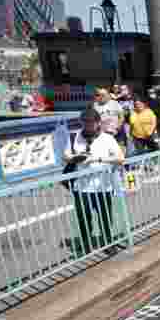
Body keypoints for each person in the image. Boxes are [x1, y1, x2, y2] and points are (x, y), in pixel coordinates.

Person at [62, 107, 125, 255]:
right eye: (85, 123)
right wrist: (74, 158)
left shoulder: (107, 138)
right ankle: (85, 243)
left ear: (98, 123)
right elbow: (65, 156)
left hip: (103, 186)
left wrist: (98, 159)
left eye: (91, 123)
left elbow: (120, 158)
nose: (88, 126)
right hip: (81, 186)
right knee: (83, 217)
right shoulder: (74, 137)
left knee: (105, 216)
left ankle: (108, 242)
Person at [129, 96, 159, 161]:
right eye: (136, 104)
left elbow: (154, 122)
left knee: (153, 151)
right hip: (137, 136)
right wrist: (130, 135)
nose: (138, 106)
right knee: (140, 152)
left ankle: (155, 164)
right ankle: (143, 166)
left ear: (143, 104)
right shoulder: (133, 113)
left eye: (139, 104)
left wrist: (151, 131)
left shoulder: (149, 111)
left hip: (149, 135)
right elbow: (131, 125)